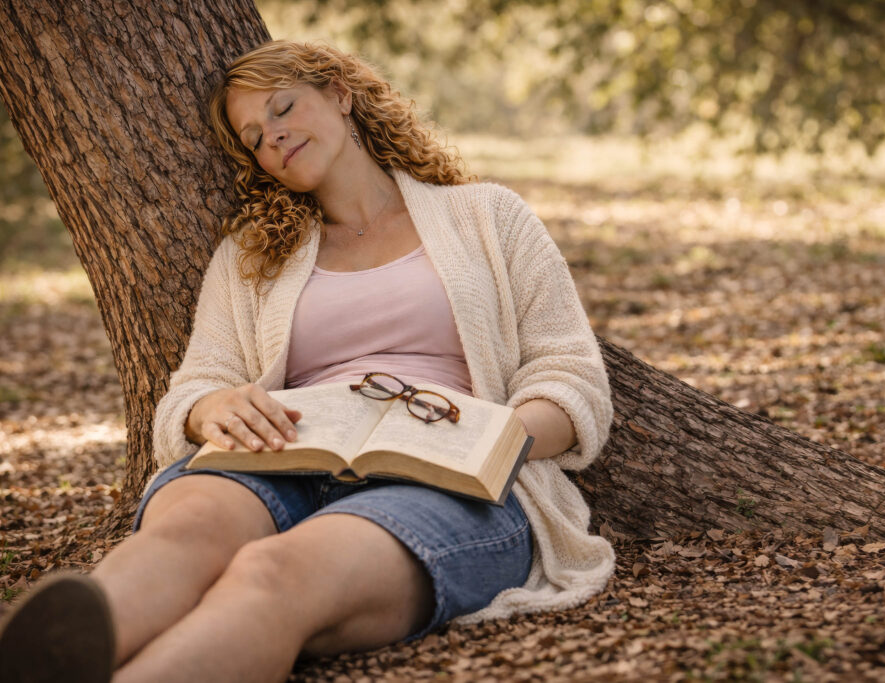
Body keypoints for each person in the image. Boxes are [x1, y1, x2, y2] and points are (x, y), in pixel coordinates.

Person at [0, 40, 614, 683]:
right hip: (280, 455)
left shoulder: (489, 217)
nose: (274, 137)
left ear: (341, 95)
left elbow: (570, 375)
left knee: (271, 575)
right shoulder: (250, 256)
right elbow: (198, 382)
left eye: (284, 107)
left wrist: (496, 440)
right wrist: (211, 407)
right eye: (256, 136)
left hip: (443, 479)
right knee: (183, 539)